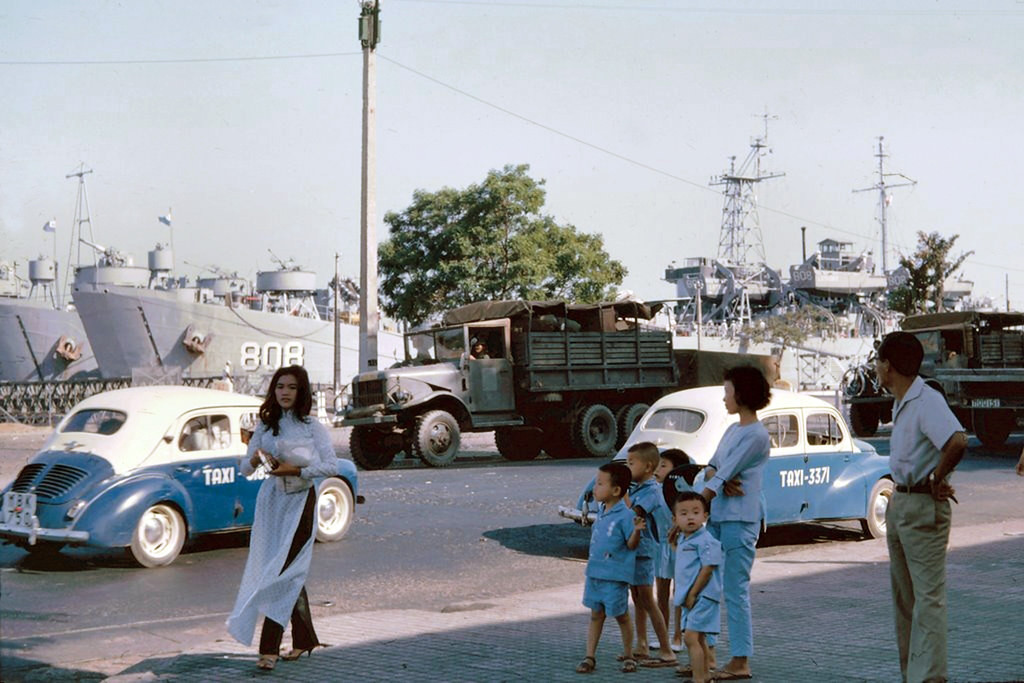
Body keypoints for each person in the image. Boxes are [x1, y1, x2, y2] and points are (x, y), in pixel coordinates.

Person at [226, 365, 338, 671]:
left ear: (301, 392)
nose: (285, 392)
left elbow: (332, 466)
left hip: (301, 501)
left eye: (292, 387)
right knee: (282, 570)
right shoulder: (266, 426)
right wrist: (255, 457)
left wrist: (297, 471)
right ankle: (304, 640)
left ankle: (269, 649)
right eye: (280, 387)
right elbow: (246, 470)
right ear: (273, 391)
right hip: (272, 501)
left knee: (282, 571)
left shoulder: (312, 427)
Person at [875, 331, 967, 683]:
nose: (877, 368)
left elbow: (957, 440)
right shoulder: (903, 401)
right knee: (905, 600)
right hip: (901, 502)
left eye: (879, 362)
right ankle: (912, 675)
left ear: (888, 366)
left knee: (927, 600)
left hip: (922, 505)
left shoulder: (925, 400)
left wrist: (937, 477)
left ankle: (930, 678)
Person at [700, 365, 772, 681]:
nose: (724, 397)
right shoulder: (733, 430)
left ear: (741, 395)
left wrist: (706, 493)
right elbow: (712, 469)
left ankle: (740, 660)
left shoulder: (757, 435)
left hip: (740, 520)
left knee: (735, 590)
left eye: (727, 391)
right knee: (709, 586)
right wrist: (719, 478)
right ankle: (709, 655)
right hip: (720, 516)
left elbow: (720, 473)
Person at [576, 462, 641, 674]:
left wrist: (637, 531)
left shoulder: (625, 515)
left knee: (621, 615)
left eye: (600, 484)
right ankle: (589, 656)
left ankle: (629, 655)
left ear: (616, 490)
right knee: (596, 615)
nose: (595, 488)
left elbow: (631, 545)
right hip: (595, 573)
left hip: (614, 575)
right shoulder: (602, 511)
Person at [625, 442, 677, 669]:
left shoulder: (653, 491)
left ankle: (666, 649)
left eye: (631, 463)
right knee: (636, 597)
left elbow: (631, 514)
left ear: (647, 467)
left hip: (645, 551)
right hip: (633, 550)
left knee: (647, 598)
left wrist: (620, 491)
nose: (628, 467)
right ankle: (642, 644)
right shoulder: (637, 488)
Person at [671, 491, 722, 683]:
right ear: (675, 519)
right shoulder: (685, 539)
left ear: (705, 516)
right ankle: (704, 675)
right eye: (683, 513)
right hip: (690, 596)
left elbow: (708, 568)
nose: (690, 517)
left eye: (695, 512)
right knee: (698, 637)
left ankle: (699, 679)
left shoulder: (706, 540)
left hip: (704, 595)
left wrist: (692, 593)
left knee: (691, 637)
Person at [653, 448, 690, 653]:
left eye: (664, 465)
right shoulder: (653, 490)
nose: (658, 469)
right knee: (661, 592)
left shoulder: (684, 492)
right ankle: (663, 636)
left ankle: (679, 635)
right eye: (657, 465)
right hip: (661, 545)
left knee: (680, 593)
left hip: (680, 545)